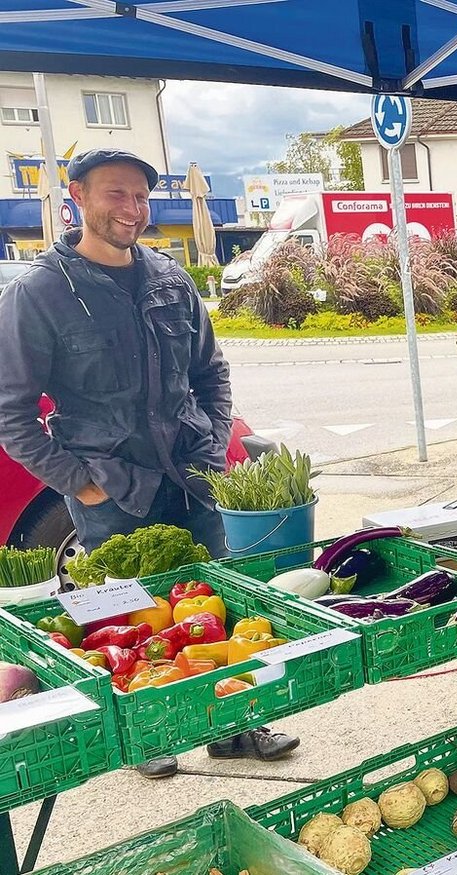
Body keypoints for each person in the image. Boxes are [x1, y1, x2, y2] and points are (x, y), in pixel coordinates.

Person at [0, 149, 299, 779]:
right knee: (124, 622)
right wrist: (78, 485)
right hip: (111, 490)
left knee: (220, 604)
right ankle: (148, 736)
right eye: (116, 195)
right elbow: (12, 414)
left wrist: (215, 441)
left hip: (192, 476)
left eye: (140, 197)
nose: (132, 210)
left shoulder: (171, 279)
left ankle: (235, 724)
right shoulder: (41, 293)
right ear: (76, 197)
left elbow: (211, 372)